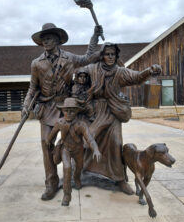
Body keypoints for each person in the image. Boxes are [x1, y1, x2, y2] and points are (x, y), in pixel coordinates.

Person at [21, 23, 103, 201]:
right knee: (45, 142)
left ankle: (76, 172)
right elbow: (32, 88)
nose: (46, 41)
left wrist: (95, 36)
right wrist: (26, 105)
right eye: (43, 39)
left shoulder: (69, 58)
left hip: (67, 106)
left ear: (58, 40)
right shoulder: (36, 63)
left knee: (75, 140)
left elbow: (88, 57)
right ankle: (51, 182)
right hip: (47, 107)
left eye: (49, 38)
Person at [83, 42, 162, 195]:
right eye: (107, 54)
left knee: (115, 143)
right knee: (87, 141)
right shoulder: (92, 69)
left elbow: (137, 77)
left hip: (113, 112)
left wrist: (149, 71)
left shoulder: (120, 72)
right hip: (94, 112)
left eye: (113, 54)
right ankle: (81, 172)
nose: (110, 57)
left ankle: (119, 180)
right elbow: (78, 75)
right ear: (102, 56)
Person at [46, 97, 101, 206]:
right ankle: (67, 195)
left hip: (78, 150)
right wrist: (48, 141)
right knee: (67, 168)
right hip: (65, 149)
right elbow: (52, 135)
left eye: (72, 110)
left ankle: (77, 178)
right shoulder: (60, 123)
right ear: (62, 111)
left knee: (79, 167)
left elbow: (89, 138)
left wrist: (96, 149)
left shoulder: (81, 125)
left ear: (77, 111)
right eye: (66, 110)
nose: (69, 113)